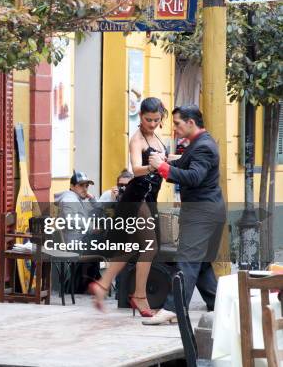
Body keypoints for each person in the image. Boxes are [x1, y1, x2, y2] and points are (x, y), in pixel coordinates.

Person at [144, 105, 226, 325]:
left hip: (203, 214)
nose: (175, 128)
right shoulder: (198, 144)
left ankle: (173, 308)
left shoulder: (204, 146)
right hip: (207, 212)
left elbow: (194, 176)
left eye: (178, 123)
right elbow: (184, 164)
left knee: (187, 260)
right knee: (201, 267)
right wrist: (167, 162)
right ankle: (222, 309)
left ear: (191, 122)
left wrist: (162, 166)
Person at [88, 97, 168, 317]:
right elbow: (135, 168)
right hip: (138, 197)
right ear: (140, 116)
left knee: (130, 247)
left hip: (149, 198)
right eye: (147, 119)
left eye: (155, 119)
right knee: (150, 248)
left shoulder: (156, 137)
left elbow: (165, 160)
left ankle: (102, 286)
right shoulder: (137, 140)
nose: (151, 124)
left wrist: (184, 159)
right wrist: (156, 166)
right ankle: (139, 296)